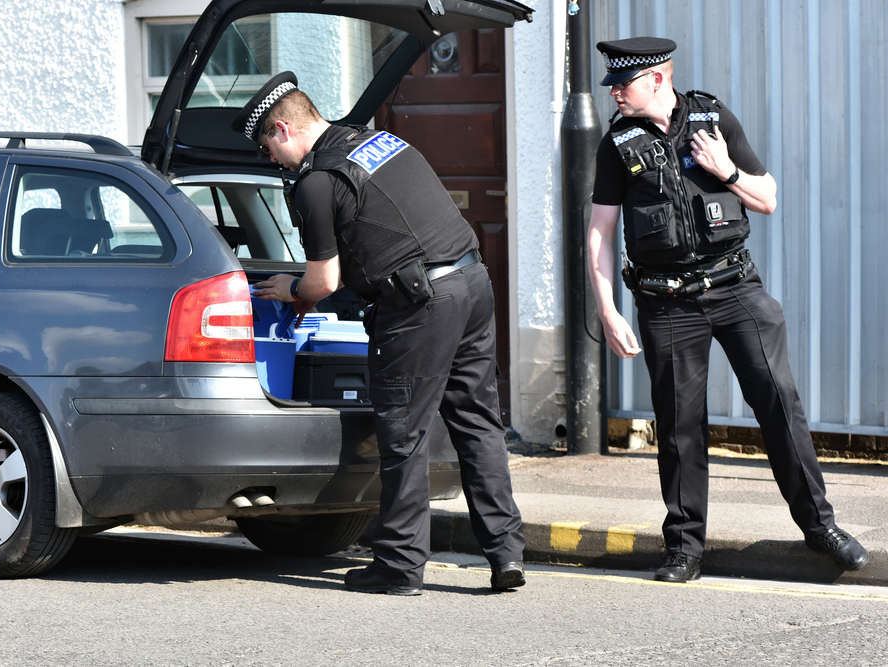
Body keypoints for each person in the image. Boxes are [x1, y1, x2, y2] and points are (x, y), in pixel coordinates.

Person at [587, 38, 869, 583]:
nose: (615, 93)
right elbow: (599, 233)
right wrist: (607, 309)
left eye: (623, 84)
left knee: (779, 403)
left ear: (658, 80)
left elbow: (768, 198)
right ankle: (685, 549)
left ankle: (820, 527)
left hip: (736, 289)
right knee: (678, 426)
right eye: (612, 85)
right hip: (666, 301)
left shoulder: (714, 121)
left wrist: (727, 171)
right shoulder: (616, 144)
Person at [234, 72, 526, 595]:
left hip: (417, 306)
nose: (271, 160)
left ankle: (398, 565)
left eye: (267, 148)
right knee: (478, 422)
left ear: (282, 129)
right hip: (471, 283)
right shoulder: (377, 140)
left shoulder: (316, 181)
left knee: (403, 434)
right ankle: (506, 555)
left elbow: (324, 279)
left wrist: (292, 290)